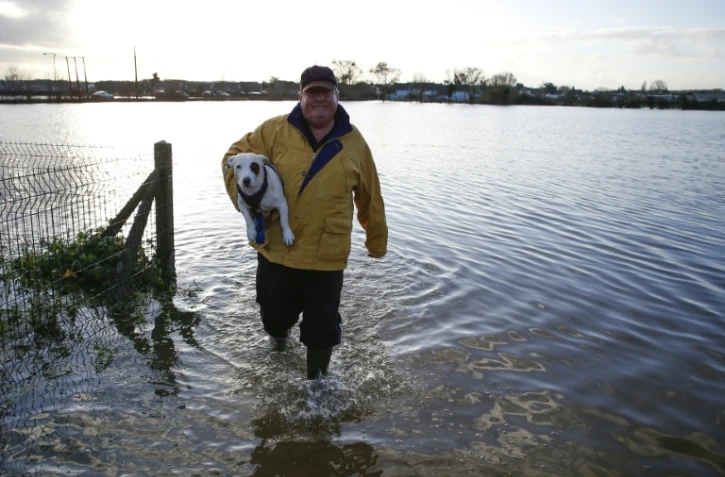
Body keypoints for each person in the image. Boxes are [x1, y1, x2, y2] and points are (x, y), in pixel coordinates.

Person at [221, 65, 388, 380]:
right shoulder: (273, 131)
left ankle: (317, 388)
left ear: (337, 95)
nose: (320, 99)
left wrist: (376, 241)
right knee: (273, 320)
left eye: (327, 92)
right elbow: (232, 157)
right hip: (278, 250)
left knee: (321, 328)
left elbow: (370, 194)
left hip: (327, 254)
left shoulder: (355, 143)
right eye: (313, 92)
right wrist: (250, 205)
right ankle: (279, 344)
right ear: (301, 96)